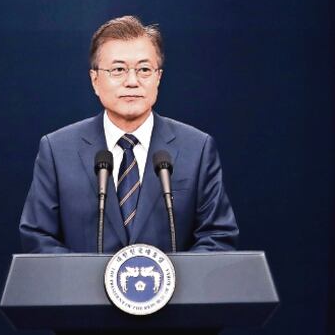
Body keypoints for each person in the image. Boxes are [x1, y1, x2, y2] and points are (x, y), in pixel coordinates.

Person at [19, 15, 239, 253]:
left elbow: (218, 237)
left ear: (158, 77)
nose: (132, 81)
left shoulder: (196, 148)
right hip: (81, 291)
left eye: (144, 69)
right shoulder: (57, 150)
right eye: (118, 70)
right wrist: (93, 284)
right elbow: (38, 237)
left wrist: (168, 284)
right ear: (95, 80)